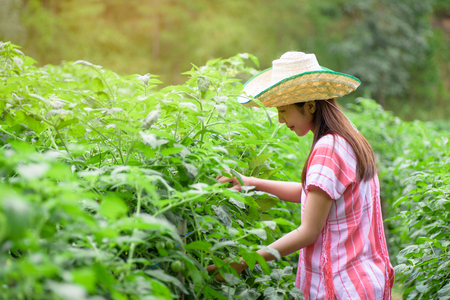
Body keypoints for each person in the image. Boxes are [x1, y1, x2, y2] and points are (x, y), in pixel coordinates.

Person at [207, 51, 394, 300]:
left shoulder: (329, 148)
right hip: (362, 279)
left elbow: (308, 231)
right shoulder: (349, 137)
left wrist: (244, 262)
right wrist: (251, 183)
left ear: (310, 105)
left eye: (283, 110)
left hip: (339, 285)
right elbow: (315, 196)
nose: (280, 120)